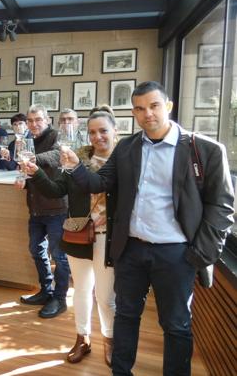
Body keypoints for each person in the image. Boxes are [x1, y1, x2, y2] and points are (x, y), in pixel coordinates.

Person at [62, 81, 234, 375]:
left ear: (168, 106)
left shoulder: (204, 150)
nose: (147, 114)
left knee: (176, 324)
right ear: (134, 113)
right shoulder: (128, 147)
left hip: (178, 255)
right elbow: (100, 183)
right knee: (126, 316)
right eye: (140, 109)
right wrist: (77, 166)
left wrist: (201, 253)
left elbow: (222, 207)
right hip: (131, 250)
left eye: (154, 106)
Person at [24, 105, 117, 366]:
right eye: (92, 132)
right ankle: (82, 338)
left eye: (103, 131)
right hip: (78, 234)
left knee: (106, 296)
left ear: (114, 132)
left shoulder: (120, 162)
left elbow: (98, 184)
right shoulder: (80, 157)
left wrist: (75, 166)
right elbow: (56, 190)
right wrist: (36, 173)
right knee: (82, 291)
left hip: (108, 238)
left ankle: (109, 340)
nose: (97, 137)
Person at [17, 104, 70, 318]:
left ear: (47, 120)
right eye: (30, 121)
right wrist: (22, 178)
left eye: (38, 119)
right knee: (36, 250)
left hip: (57, 208)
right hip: (36, 208)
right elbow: (29, 172)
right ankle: (46, 291)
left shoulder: (57, 136)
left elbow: (57, 156)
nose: (34, 124)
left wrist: (32, 160)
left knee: (60, 256)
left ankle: (60, 298)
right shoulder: (28, 140)